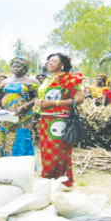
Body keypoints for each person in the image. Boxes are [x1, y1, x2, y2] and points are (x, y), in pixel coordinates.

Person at [34, 53, 84, 187]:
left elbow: (79, 99)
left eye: (54, 61)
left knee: (58, 151)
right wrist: (39, 101)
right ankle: (48, 178)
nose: (49, 63)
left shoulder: (69, 79)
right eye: (48, 61)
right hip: (45, 119)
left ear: (62, 65)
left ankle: (60, 180)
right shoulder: (48, 79)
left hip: (59, 121)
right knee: (46, 150)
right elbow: (46, 96)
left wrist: (54, 103)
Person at [0, 56, 40, 157]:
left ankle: (20, 160)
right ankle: (4, 160)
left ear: (25, 67)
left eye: (18, 66)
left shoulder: (32, 82)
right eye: (13, 66)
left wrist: (24, 107)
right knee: (5, 135)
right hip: (7, 115)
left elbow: (37, 97)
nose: (15, 68)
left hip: (23, 115)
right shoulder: (5, 82)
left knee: (21, 135)